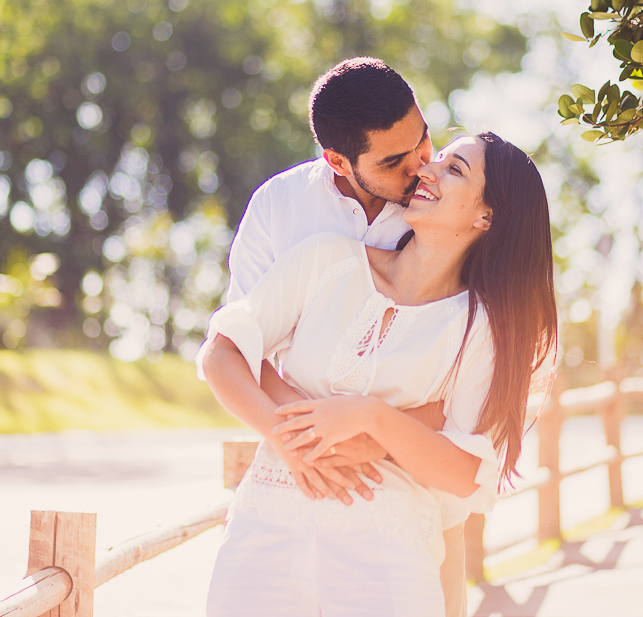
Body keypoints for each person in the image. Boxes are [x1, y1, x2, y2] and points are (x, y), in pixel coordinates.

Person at [199, 131, 558, 617]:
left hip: (387, 555)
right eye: (440, 160)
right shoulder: (327, 259)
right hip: (266, 530)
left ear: (486, 215)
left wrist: (374, 419)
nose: (426, 170)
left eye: (455, 170)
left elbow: (467, 472)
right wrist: (285, 437)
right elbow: (223, 353)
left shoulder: (482, 327)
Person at [224, 57, 471, 614]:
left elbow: (467, 388)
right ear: (337, 159)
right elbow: (240, 349)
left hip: (421, 486)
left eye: (423, 141)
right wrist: (307, 439)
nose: (420, 167)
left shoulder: (444, 207)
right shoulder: (281, 209)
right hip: (302, 474)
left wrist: (377, 435)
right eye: (394, 161)